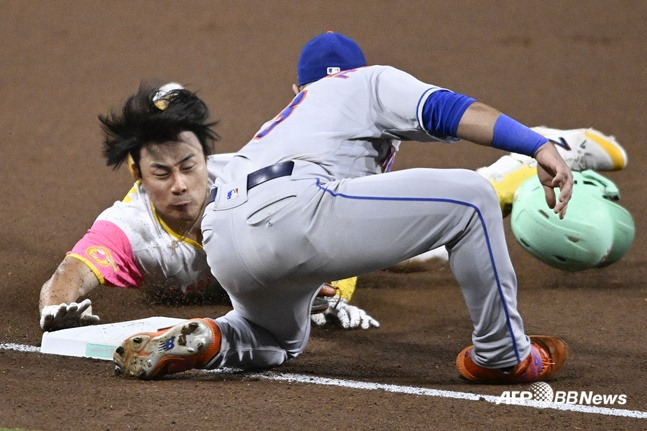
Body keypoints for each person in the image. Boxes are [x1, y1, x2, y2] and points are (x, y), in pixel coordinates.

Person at [114, 32, 626, 382]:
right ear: (351, 72)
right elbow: (450, 110)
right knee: (471, 200)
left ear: (299, 88)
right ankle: (502, 356)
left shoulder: (287, 118)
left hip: (225, 232)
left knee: (274, 338)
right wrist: (534, 144)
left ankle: (210, 338)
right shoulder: (365, 81)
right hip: (300, 210)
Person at [38, 82, 379, 333]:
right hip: (235, 270)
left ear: (206, 158)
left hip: (263, 252)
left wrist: (332, 291)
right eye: (161, 173)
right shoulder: (131, 228)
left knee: (406, 250)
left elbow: (330, 212)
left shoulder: (246, 182)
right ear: (138, 174)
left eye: (189, 166)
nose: (180, 184)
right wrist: (58, 308)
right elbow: (70, 273)